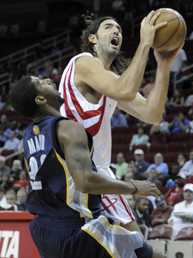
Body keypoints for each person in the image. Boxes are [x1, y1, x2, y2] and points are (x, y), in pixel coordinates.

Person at [10, 76, 165, 258]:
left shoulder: (28, 136)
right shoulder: (67, 128)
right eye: (40, 82)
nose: (47, 80)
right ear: (40, 99)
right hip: (76, 229)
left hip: (43, 231)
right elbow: (85, 181)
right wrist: (134, 187)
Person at [59, 12, 180, 231]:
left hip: (98, 175)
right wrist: (144, 43)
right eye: (108, 27)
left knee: (134, 247)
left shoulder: (113, 82)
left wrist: (163, 64)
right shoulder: (82, 62)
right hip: (76, 173)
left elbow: (153, 114)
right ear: (92, 39)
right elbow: (124, 89)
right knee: (135, 248)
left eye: (119, 29)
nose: (116, 31)